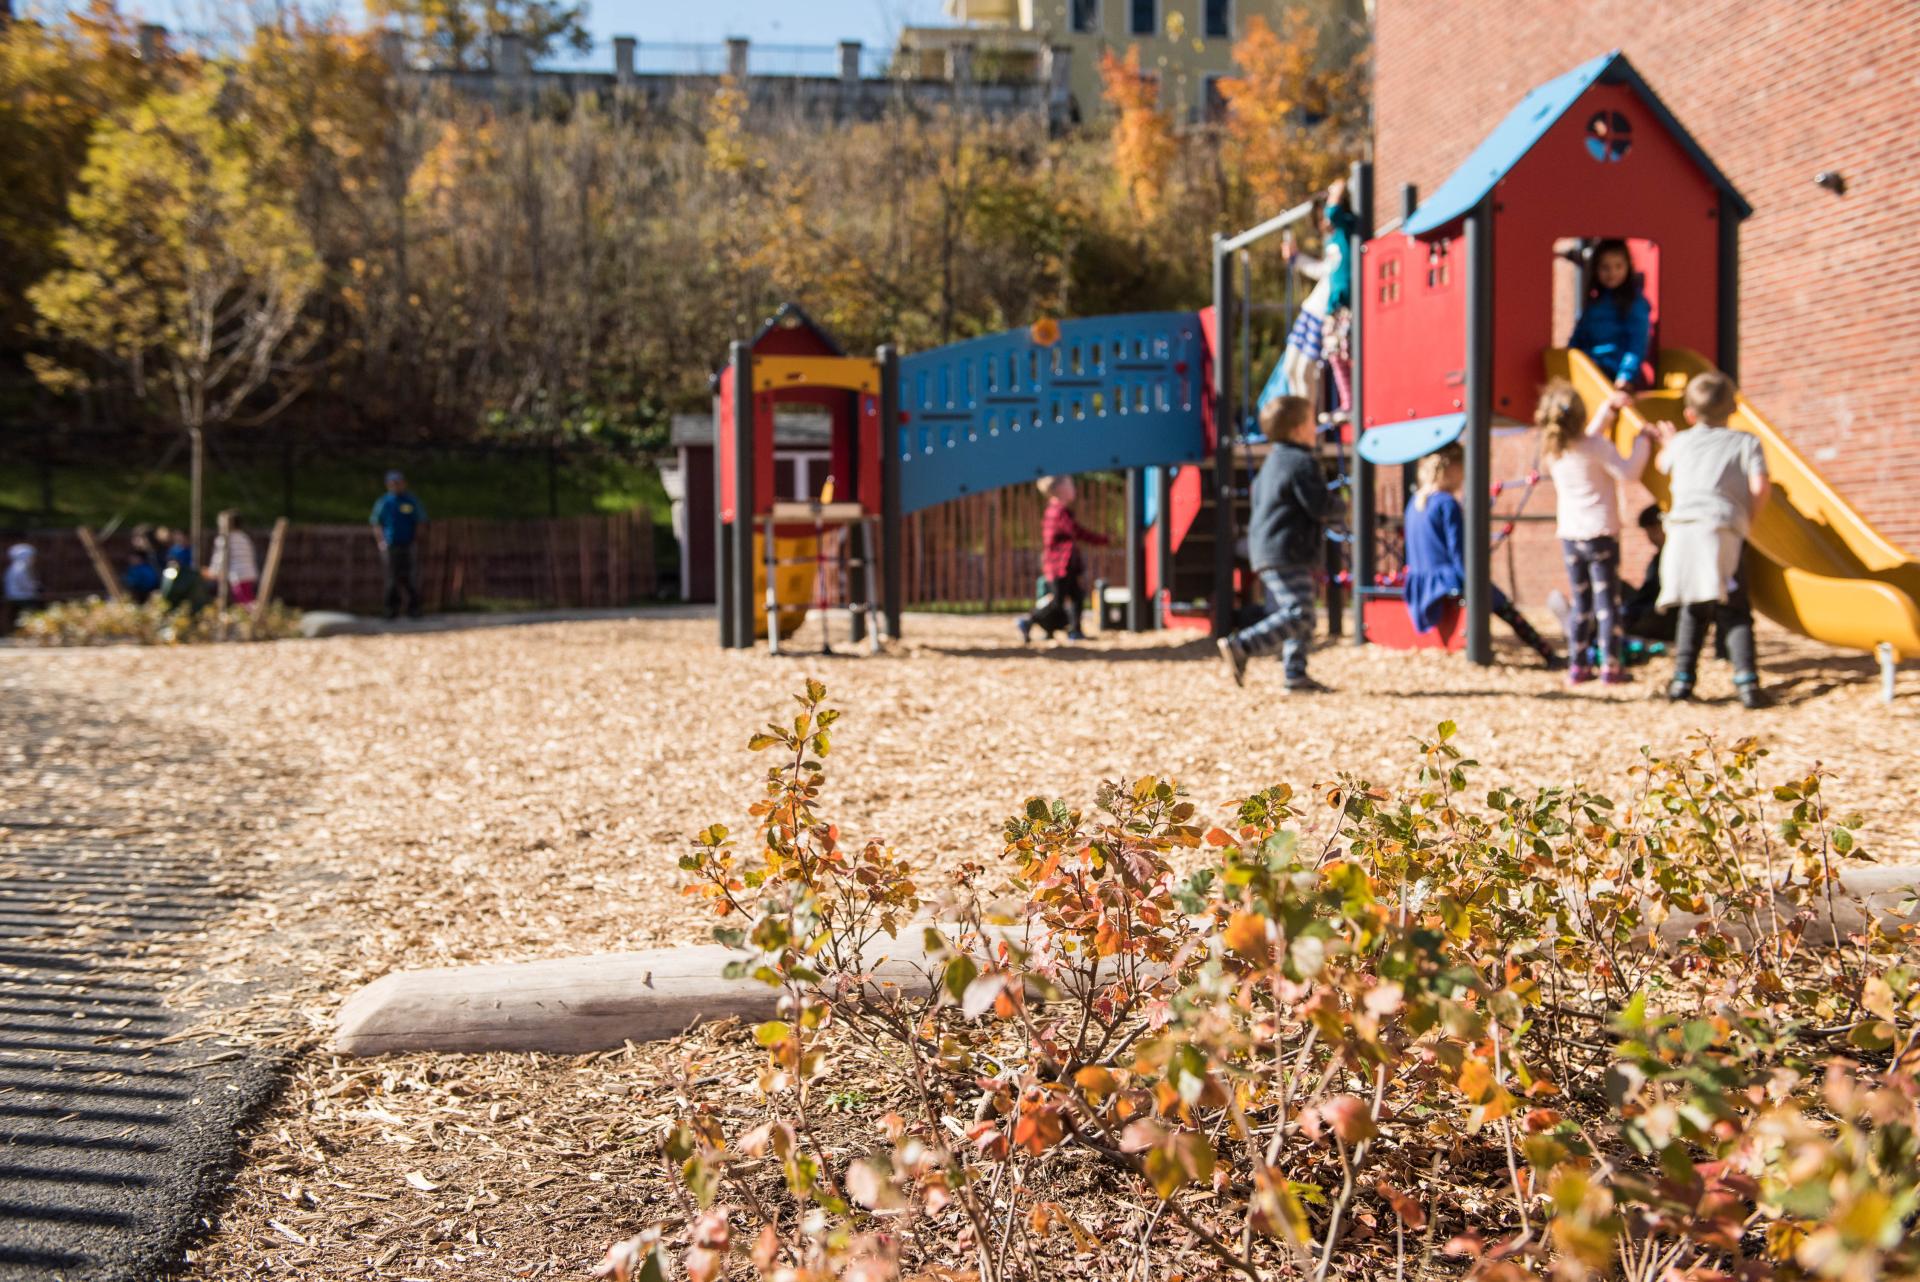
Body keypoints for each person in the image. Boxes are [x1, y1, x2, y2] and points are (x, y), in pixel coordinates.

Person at [1642, 372, 1770, 706]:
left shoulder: (1682, 441)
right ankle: (1747, 684)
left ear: (1689, 414)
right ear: (1732, 409)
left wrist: (1668, 444)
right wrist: (1747, 521)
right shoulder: (1746, 442)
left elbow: (1661, 463)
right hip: (1721, 530)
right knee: (1735, 607)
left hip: (1683, 531)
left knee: (1693, 607)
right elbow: (1760, 486)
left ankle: (1682, 682)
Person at [1402, 444, 1559, 667]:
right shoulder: (1447, 504)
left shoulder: (1415, 503)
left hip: (1419, 582)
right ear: (1453, 470)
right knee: (1502, 603)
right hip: (1445, 580)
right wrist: (1475, 582)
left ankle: (1546, 652)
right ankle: (1547, 653)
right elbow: (1459, 553)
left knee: (1493, 595)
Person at [1535, 378, 1647, 683]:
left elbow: (1587, 439)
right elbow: (1628, 471)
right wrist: (1642, 441)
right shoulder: (1596, 447)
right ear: (1580, 416)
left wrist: (1607, 410)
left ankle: (1579, 664)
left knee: (1582, 603)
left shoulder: (1554, 451)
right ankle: (1611, 665)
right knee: (1607, 604)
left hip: (1571, 538)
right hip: (1600, 535)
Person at [1217, 396, 1330, 692]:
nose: (1315, 427)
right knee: (1300, 613)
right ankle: (1242, 645)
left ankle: (1295, 673)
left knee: (1298, 612)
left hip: (1271, 548)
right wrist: (1340, 508)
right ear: (1296, 430)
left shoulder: (1273, 462)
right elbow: (1318, 505)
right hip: (1287, 549)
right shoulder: (1301, 462)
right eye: (1310, 421)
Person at [1266, 176, 1356, 415]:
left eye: (1324, 216)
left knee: (1306, 369)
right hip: (1312, 309)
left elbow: (1335, 213)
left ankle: (1306, 422)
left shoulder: (1346, 235)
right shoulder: (1333, 246)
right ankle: (1299, 418)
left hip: (1324, 313)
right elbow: (1323, 271)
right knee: (1290, 368)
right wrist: (1296, 258)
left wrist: (1336, 191)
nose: (1323, 222)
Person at [1017, 475, 1107, 643]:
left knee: (1077, 596)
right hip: (1059, 566)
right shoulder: (1058, 512)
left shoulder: (1056, 510)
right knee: (1058, 602)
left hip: (1064, 565)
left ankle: (1075, 631)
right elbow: (1076, 531)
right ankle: (1028, 621)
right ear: (1060, 490)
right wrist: (1102, 540)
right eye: (1071, 485)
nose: (1074, 489)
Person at [1568, 238, 1651, 390]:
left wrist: (1625, 376)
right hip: (1591, 367)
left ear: (1628, 267)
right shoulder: (1594, 302)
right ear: (1596, 270)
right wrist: (1569, 356)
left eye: (1618, 266)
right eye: (1605, 267)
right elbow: (1580, 334)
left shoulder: (1634, 303)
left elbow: (1637, 343)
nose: (1612, 273)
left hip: (1614, 371)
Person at [370, 470, 427, 620]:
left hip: (408, 545)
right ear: (388, 485)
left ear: (404, 483)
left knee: (410, 577)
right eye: (393, 483)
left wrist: (416, 540)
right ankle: (391, 610)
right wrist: (381, 542)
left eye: (398, 483)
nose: (396, 486)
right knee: (391, 578)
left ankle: (414, 609)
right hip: (390, 545)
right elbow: (376, 522)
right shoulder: (384, 502)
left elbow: (420, 521)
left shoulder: (410, 501)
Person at [1620, 503, 1675, 642]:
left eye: (1652, 531)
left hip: (1664, 615)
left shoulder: (1674, 557)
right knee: (1617, 585)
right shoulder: (1657, 558)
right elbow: (1647, 590)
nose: (1650, 538)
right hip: (1648, 608)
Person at [206, 510, 259, 605]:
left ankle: (254, 617)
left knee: (244, 601)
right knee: (246, 598)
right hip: (248, 573)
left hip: (238, 574)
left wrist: (213, 571)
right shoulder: (244, 537)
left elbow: (219, 558)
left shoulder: (225, 539)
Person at [3, 542, 40, 634]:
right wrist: (35, 586)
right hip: (21, 597)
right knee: (30, 612)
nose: (33, 559)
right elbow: (25, 584)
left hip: (16, 595)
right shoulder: (20, 568)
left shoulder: (14, 567)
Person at [124, 525, 161, 603]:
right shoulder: (140, 554)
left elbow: (156, 576)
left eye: (137, 538)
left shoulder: (155, 555)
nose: (134, 541)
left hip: (152, 591)